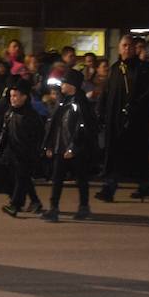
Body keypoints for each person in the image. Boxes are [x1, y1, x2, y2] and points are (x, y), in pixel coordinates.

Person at [96, 34, 149, 202]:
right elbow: (107, 91)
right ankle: (114, 187)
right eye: (124, 45)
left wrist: (135, 106)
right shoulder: (115, 68)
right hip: (114, 119)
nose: (127, 49)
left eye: (130, 46)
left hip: (135, 120)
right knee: (114, 152)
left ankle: (135, 186)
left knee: (135, 153)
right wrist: (100, 111)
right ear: (119, 47)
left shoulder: (143, 68)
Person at [41, 70, 95, 221]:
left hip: (75, 149)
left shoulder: (79, 103)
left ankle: (84, 206)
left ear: (72, 85)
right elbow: (55, 125)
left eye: (64, 82)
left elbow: (82, 126)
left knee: (81, 177)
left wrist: (73, 147)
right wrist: (50, 145)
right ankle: (54, 208)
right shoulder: (63, 101)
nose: (61, 85)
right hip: (60, 146)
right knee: (57, 178)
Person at [0, 77, 42, 218]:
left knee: (21, 178)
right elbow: (4, 132)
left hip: (25, 153)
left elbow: (37, 136)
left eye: (15, 96)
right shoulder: (10, 113)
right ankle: (35, 201)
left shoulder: (31, 116)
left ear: (24, 97)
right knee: (22, 178)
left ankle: (15, 205)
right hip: (12, 152)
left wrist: (35, 152)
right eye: (11, 96)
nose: (12, 99)